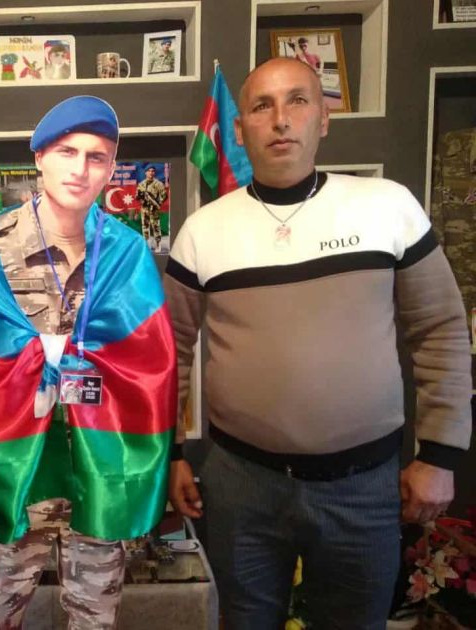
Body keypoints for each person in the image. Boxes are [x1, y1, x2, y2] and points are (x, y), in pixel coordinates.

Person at [165, 57, 472, 629]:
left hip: (363, 485)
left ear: (324, 119)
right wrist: (172, 454)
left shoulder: (388, 205)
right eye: (262, 106)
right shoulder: (203, 231)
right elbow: (171, 353)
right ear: (239, 130)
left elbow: (441, 330)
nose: (280, 119)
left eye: (298, 101)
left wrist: (439, 456)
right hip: (241, 484)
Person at [0, 96, 177, 629]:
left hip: (96, 472)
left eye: (96, 157)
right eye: (67, 152)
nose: (80, 168)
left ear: (111, 168)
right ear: (40, 158)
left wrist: (62, 352)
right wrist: (57, 353)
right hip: (19, 475)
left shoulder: (125, 251)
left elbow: (148, 357)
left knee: (95, 619)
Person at [136, 165, 167, 251]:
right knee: (145, 227)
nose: (151, 172)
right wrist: (141, 196)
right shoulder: (141, 184)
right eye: (149, 171)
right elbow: (137, 196)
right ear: (145, 173)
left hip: (154, 208)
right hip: (145, 208)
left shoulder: (159, 184)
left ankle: (158, 245)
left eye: (152, 171)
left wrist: (157, 202)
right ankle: (146, 245)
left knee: (156, 227)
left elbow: (164, 195)